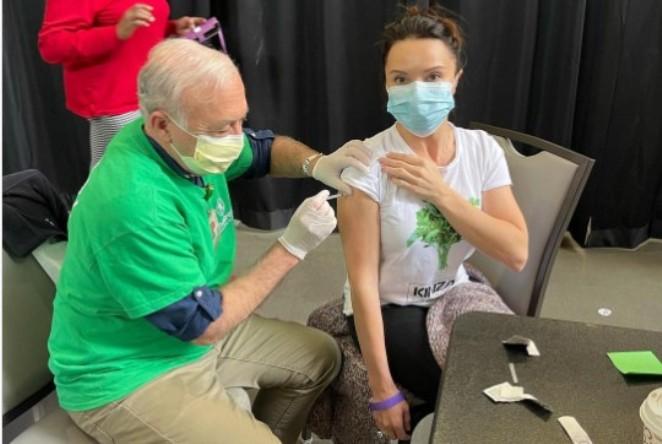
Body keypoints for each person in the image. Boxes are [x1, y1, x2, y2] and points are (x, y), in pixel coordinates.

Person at [47, 38, 370, 444]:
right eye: (221, 128)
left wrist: (316, 163)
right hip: (127, 371)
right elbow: (201, 325)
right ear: (161, 124)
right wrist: (293, 247)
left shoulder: (183, 144)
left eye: (239, 121)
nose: (236, 137)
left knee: (320, 358)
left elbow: (263, 150)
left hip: (188, 328)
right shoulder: (133, 202)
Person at [338, 6, 529, 441]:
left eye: (433, 76)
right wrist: (382, 390)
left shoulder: (482, 150)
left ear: (456, 79)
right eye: (401, 79)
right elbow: (362, 283)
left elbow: (515, 251)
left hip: (456, 291)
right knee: (473, 391)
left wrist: (440, 192)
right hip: (391, 307)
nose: (417, 91)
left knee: (520, 372)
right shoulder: (366, 164)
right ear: (386, 85)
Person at [38, 1, 205, 168]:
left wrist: (172, 28)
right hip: (114, 101)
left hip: (150, 94)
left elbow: (135, 25)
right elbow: (52, 45)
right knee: (117, 173)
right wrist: (116, 32)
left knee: (136, 171)